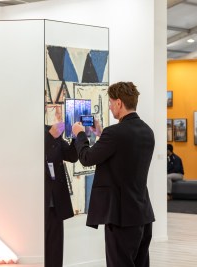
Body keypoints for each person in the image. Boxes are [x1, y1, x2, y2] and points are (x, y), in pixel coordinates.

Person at [72, 81, 155, 267]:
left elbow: (86, 158)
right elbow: (122, 156)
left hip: (121, 217)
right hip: (143, 214)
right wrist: (101, 133)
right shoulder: (147, 131)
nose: (109, 107)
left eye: (110, 103)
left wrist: (80, 135)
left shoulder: (115, 133)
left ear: (119, 103)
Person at [45, 121, 78, 267]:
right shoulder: (47, 134)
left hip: (55, 204)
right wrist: (50, 136)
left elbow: (72, 156)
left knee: (55, 249)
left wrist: (76, 137)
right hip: (36, 204)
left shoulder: (52, 132)